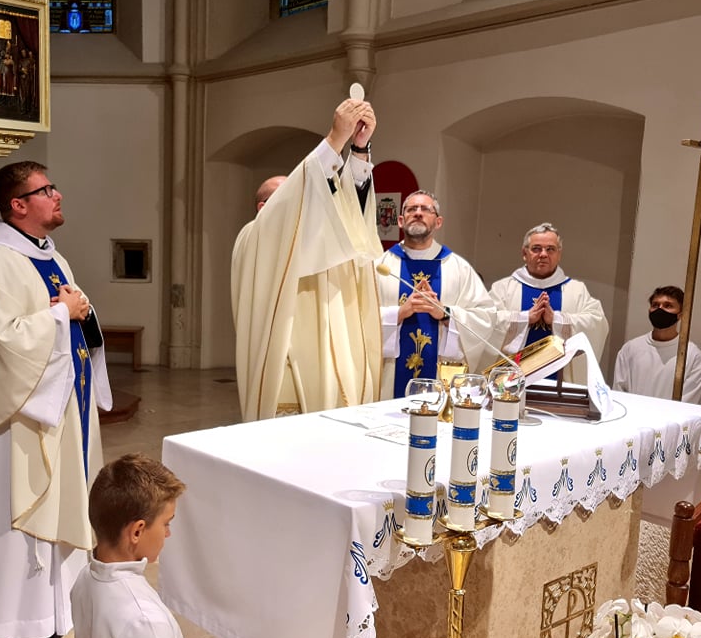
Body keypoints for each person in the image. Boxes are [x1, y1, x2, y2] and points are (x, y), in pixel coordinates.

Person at [0, 161, 112, 638]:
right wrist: (63, 312)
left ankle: (54, 612)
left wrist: (77, 312)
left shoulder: (51, 256)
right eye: (46, 190)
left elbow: (74, 314)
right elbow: (6, 342)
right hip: (18, 418)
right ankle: (11, 622)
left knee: (63, 498)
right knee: (18, 506)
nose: (58, 196)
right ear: (18, 205)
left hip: (63, 406)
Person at [231, 98, 384, 421]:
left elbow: (352, 223)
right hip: (288, 369)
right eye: (292, 198)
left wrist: (358, 152)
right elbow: (296, 199)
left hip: (336, 368)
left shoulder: (324, 240)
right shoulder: (254, 238)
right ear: (264, 209)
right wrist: (334, 139)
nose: (305, 204)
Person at [71, 454, 191, 638]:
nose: (168, 533)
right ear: (137, 531)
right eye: (166, 523)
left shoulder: (84, 578)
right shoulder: (144, 620)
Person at [376, 190, 496, 399]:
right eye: (412, 209)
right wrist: (398, 314)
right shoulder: (380, 266)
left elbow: (486, 317)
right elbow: (357, 320)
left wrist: (446, 313)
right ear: (401, 221)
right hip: (387, 378)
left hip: (441, 378)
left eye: (425, 209)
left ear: (438, 222)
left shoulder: (459, 268)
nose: (418, 213)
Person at [489, 222, 608, 382]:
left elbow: (597, 323)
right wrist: (524, 318)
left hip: (560, 383)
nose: (543, 254)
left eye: (550, 249)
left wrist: (557, 320)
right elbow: (485, 322)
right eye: (536, 249)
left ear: (559, 254)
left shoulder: (576, 290)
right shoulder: (503, 288)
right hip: (511, 383)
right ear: (524, 253)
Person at [613, 285, 701, 403]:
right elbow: (619, 392)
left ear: (681, 314)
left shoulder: (693, 356)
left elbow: (686, 404)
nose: (660, 309)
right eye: (655, 305)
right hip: (632, 413)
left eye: (668, 305)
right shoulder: (630, 349)